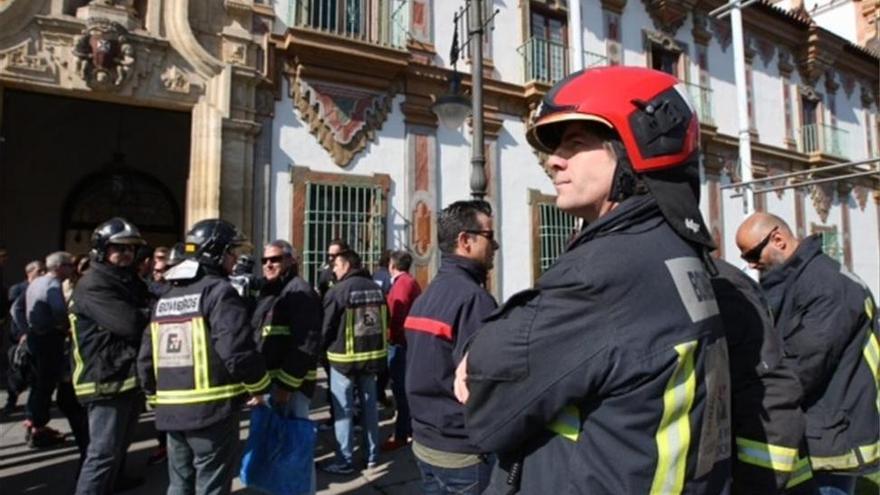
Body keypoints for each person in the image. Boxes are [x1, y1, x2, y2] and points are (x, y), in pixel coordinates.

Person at [457, 67, 731, 494]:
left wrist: (476, 352)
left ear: (633, 149)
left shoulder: (606, 272)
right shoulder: (676, 251)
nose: (553, 160)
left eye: (576, 143)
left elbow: (490, 390)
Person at [736, 212, 880, 494]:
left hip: (831, 434)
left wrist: (747, 397)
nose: (751, 264)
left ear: (778, 239)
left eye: (753, 253)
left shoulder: (825, 286)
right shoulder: (806, 279)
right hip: (822, 426)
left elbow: (800, 367)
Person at [137, 219, 271, 495]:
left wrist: (153, 395)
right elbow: (236, 349)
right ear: (216, 253)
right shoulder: (218, 292)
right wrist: (260, 387)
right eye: (231, 252)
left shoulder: (167, 297)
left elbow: (146, 356)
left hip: (171, 412)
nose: (235, 260)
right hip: (211, 412)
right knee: (210, 485)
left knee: (179, 484)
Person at [404, 200, 498, 494]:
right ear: (465, 241)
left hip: (426, 443)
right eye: (489, 236)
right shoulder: (474, 299)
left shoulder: (429, 294)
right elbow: (483, 382)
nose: (495, 245)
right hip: (462, 452)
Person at [710, 258, 815, 493]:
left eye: (754, 253)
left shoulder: (720, 283)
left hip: (772, 464)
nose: (751, 262)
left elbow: (771, 382)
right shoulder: (719, 277)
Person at [69, 218, 152, 494]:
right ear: (102, 249)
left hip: (124, 377)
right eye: (119, 248)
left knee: (117, 450)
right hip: (103, 380)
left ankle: (112, 485)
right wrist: (149, 313)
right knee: (102, 454)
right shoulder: (93, 284)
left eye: (131, 249)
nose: (127, 254)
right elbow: (129, 323)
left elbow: (152, 300)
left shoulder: (126, 280)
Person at [320, 249, 388, 474]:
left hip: (343, 361)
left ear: (347, 265)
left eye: (336, 266)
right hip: (370, 360)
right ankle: (371, 456)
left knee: (344, 412)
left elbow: (326, 326)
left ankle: (344, 461)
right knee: (370, 409)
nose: (334, 270)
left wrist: (319, 350)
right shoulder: (376, 289)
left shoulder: (338, 291)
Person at [252, 240, 322, 414]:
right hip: (269, 383)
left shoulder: (300, 291)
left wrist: (286, 387)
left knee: (291, 438)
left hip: (291, 388)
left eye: (275, 259)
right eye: (264, 260)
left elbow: (306, 343)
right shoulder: (268, 291)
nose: (268, 264)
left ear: (290, 260)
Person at [23, 252, 76, 447]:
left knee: (38, 383)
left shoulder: (36, 282)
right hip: (48, 339)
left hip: (35, 336)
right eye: (69, 265)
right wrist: (66, 327)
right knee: (46, 383)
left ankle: (33, 420)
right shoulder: (53, 285)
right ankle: (39, 427)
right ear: (59, 267)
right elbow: (60, 312)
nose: (72, 269)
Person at [381, 250, 421, 451]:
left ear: (392, 265)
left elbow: (397, 315)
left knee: (400, 390)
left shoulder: (402, 284)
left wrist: (392, 336)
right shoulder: (409, 282)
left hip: (400, 344)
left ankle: (402, 433)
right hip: (406, 342)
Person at [4, 260, 45, 416]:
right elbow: (15, 313)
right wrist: (22, 333)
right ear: (29, 273)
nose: (42, 274)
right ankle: (11, 399)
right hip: (20, 336)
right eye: (39, 271)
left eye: (44, 270)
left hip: (37, 334)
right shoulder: (18, 289)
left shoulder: (43, 287)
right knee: (17, 370)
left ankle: (32, 406)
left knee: (35, 372)